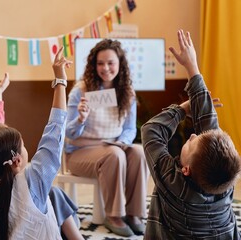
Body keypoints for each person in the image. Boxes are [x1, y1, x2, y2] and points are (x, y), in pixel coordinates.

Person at [0, 47, 83, 240]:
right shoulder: (33, 181)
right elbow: (55, 131)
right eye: (22, 145)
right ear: (16, 160)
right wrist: (60, 81)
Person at [141, 29, 241, 239]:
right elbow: (209, 127)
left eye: (192, 143)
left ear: (185, 170)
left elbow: (151, 130)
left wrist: (182, 109)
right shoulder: (224, 184)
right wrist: (192, 67)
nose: (193, 136)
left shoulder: (172, 183)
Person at [65, 39, 149, 237]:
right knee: (114, 155)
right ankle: (114, 215)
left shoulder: (127, 93)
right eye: (100, 63)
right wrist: (80, 119)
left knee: (138, 152)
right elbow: (68, 133)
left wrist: (123, 143)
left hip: (112, 146)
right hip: (79, 152)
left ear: (120, 64)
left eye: (110, 63)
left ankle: (134, 214)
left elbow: (129, 129)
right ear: (94, 66)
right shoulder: (81, 90)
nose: (105, 68)